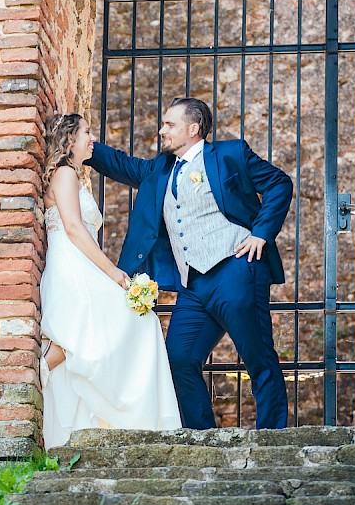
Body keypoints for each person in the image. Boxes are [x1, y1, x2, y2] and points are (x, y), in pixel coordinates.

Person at [85, 97, 293, 430]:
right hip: (193, 286)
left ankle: (272, 435)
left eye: (169, 124)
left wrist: (261, 234)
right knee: (180, 358)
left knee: (257, 355)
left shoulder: (229, 155)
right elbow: (122, 164)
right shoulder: (160, 169)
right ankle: (202, 437)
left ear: (193, 129)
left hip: (235, 270)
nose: (161, 130)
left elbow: (280, 184)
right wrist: (82, 145)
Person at [39, 112, 181, 448]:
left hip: (79, 265)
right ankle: (45, 378)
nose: (93, 140)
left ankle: (98, 410)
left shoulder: (74, 175)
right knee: (132, 320)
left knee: (97, 332)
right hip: (73, 267)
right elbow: (73, 228)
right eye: (87, 133)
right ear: (69, 140)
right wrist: (113, 272)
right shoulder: (63, 173)